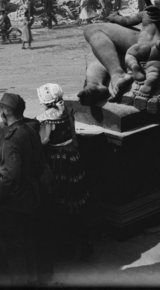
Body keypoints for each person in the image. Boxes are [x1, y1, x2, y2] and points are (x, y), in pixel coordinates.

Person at [36, 83, 93, 262]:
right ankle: (83, 244)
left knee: (58, 202)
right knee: (74, 203)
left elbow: (42, 142)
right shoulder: (67, 110)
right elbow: (74, 137)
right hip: (72, 159)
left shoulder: (43, 118)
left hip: (56, 162)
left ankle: (64, 246)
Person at [0, 93, 45, 286]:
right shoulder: (31, 128)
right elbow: (41, 164)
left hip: (14, 200)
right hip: (32, 195)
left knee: (13, 248)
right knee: (27, 242)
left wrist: (0, 195)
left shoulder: (12, 138)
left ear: (3, 112)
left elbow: (11, 175)